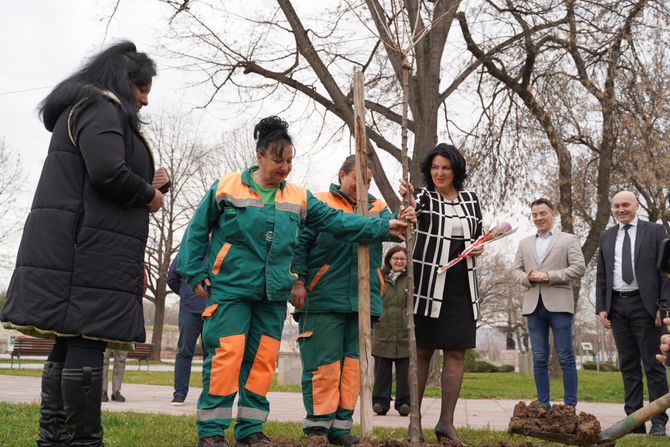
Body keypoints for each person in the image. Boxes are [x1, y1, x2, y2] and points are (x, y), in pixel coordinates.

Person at [177, 116, 408, 447]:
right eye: (277, 160)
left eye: (289, 161)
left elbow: (339, 221)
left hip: (272, 293)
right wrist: (193, 271)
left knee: (262, 362)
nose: (284, 167)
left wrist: (384, 229)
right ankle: (212, 433)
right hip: (231, 289)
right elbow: (197, 230)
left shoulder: (298, 197)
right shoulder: (226, 188)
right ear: (259, 156)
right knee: (227, 356)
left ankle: (250, 430)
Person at [0, 41, 160, 446]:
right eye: (142, 90)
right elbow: (107, 172)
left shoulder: (86, 109)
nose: (144, 100)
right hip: (88, 250)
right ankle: (84, 442)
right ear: (124, 83)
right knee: (87, 338)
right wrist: (149, 195)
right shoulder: (101, 108)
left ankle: (53, 439)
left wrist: (149, 184)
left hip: (80, 245)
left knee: (71, 340)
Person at [291, 156, 414, 446]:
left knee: (352, 370)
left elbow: (394, 227)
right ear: (342, 175)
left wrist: (406, 213)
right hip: (323, 298)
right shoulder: (319, 203)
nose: (364, 187)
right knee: (324, 366)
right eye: (358, 180)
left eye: (368, 182)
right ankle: (318, 427)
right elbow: (300, 244)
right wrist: (298, 279)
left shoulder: (378, 208)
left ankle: (341, 426)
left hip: (363, 300)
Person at [401, 143, 483, 446]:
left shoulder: (472, 200)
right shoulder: (423, 197)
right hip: (428, 284)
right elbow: (410, 214)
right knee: (423, 352)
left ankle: (446, 423)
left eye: (445, 168)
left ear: (455, 170)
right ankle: (415, 423)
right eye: (435, 167)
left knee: (456, 352)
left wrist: (479, 244)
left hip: (462, 285)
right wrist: (407, 201)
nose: (439, 173)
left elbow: (478, 234)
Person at [596, 191, 669, 436]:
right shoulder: (606, 236)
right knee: (628, 366)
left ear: (636, 205)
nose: (620, 210)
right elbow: (602, 276)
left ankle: (658, 422)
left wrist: (664, 306)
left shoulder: (655, 231)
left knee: (653, 365)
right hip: (617, 306)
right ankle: (635, 422)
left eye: (625, 205)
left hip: (647, 306)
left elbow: (665, 273)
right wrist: (602, 308)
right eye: (616, 206)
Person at [511, 198, 586, 409]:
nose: (538, 218)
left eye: (543, 213)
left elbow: (579, 268)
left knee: (565, 357)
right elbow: (515, 271)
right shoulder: (524, 243)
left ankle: (570, 406)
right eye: (534, 215)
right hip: (533, 306)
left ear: (552, 214)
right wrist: (529, 277)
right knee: (539, 358)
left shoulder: (568, 240)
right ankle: (543, 405)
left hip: (559, 305)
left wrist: (549, 276)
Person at [372, 245, 410, 417]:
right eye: (396, 258)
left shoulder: (411, 279)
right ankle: (380, 402)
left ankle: (404, 403)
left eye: (402, 259)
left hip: (405, 333)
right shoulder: (380, 278)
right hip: (382, 331)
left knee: (405, 372)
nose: (399, 262)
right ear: (389, 260)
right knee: (382, 372)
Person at [167, 254, 207, 405]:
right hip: (191, 309)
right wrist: (187, 294)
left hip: (212, 308)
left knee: (207, 354)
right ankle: (180, 393)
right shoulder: (187, 251)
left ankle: (206, 393)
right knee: (186, 352)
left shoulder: (218, 246)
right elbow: (172, 277)